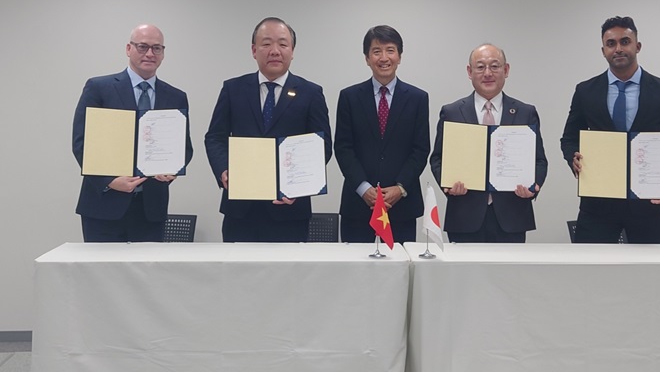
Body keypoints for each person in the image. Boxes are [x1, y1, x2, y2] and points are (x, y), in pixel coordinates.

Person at [560, 16, 660, 244]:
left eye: (625, 41)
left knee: (648, 276)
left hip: (650, 206)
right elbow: (569, 138)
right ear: (603, 50)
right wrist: (572, 157)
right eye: (611, 43)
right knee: (591, 272)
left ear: (637, 46)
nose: (618, 49)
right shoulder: (586, 91)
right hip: (598, 205)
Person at [205, 17, 332, 242]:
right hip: (240, 211)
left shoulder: (311, 93)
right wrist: (224, 170)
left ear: (292, 51)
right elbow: (215, 137)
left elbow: (322, 146)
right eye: (266, 44)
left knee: (288, 276)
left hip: (290, 210)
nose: (274, 51)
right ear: (254, 50)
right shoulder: (232, 89)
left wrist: (301, 185)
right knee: (238, 275)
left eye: (282, 44)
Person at [72, 24, 193, 242]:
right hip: (104, 206)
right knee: (102, 275)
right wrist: (109, 180)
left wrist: (172, 169)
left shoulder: (176, 96)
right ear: (129, 49)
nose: (149, 53)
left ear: (163, 53)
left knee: (146, 276)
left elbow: (184, 147)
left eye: (157, 48)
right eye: (142, 46)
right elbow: (82, 143)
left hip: (151, 210)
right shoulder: (99, 88)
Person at [430, 44, 548, 243]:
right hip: (465, 216)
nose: (488, 73)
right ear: (469, 71)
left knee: (508, 274)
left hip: (512, 215)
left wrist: (533, 186)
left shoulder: (525, 112)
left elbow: (539, 161)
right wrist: (447, 184)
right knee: (466, 275)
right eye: (480, 67)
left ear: (506, 70)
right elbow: (438, 159)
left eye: (494, 66)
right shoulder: (451, 112)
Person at [334, 25, 430, 244]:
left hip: (401, 208)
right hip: (358, 206)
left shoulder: (417, 99)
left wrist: (400, 188)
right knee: (356, 273)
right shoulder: (349, 97)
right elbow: (343, 148)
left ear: (399, 56)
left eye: (390, 50)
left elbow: (420, 149)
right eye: (376, 51)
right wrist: (364, 188)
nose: (384, 57)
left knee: (400, 274)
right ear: (367, 58)